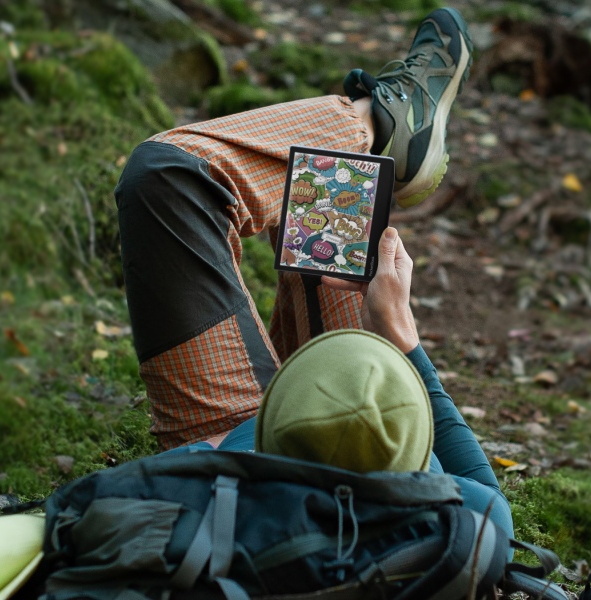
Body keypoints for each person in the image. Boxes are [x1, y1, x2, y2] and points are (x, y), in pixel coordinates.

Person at [113, 7, 511, 536]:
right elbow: (492, 509)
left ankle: (374, 123)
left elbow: (493, 516)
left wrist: (198, 458)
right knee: (327, 238)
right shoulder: (449, 539)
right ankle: (380, 132)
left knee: (169, 177)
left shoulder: (455, 536)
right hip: (319, 432)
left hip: (238, 459)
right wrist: (399, 334)